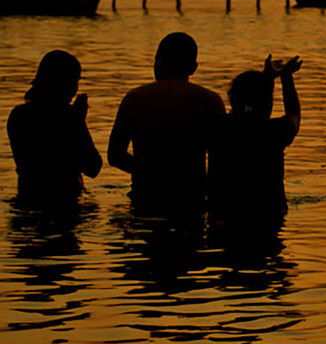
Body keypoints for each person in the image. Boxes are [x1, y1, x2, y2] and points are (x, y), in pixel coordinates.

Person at [108, 32, 225, 216]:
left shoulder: (135, 98)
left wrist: (148, 172)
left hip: (145, 197)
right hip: (191, 200)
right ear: (193, 68)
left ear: (158, 61)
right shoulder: (210, 101)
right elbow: (220, 160)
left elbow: (115, 156)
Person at [208, 55, 302, 224]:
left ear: (231, 97)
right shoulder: (274, 132)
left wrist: (267, 79)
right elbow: (294, 114)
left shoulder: (216, 129)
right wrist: (286, 77)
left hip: (222, 214)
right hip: (268, 215)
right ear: (268, 100)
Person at [7, 50, 102, 208]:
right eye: (74, 81)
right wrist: (79, 122)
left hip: (27, 199)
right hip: (66, 204)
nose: (75, 88)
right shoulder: (69, 117)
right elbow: (92, 167)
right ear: (64, 83)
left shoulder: (18, 115)